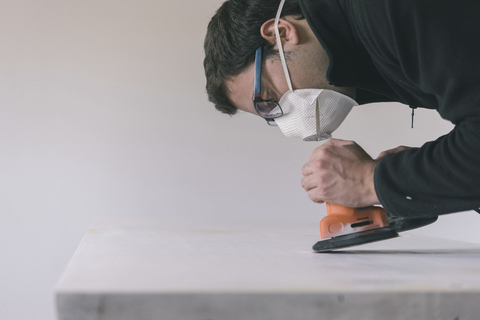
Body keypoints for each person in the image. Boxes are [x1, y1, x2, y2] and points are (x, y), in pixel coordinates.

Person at [203, 0, 480, 218]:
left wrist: (368, 180)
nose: (287, 121)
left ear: (281, 33)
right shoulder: (365, 52)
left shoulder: (385, 8)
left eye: (268, 98)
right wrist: (418, 173)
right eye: (269, 115)